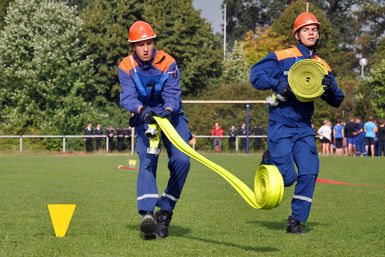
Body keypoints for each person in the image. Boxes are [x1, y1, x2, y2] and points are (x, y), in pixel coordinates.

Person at [250, 12, 344, 233]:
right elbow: (255, 74)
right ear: (297, 34)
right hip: (280, 124)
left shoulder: (322, 65)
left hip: (303, 127)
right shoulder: (283, 56)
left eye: (314, 29)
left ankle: (295, 221)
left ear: (318, 34)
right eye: (306, 29)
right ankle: (269, 160)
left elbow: (337, 100)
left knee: (309, 172)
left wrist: (331, 88)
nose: (311, 33)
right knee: (288, 178)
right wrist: (276, 83)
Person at [119, 21, 191, 239]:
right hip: (145, 118)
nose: (146, 48)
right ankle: (148, 215)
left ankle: (165, 212)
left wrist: (168, 110)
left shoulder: (168, 62)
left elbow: (173, 93)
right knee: (148, 159)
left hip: (172, 117)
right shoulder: (125, 66)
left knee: (182, 161)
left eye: (149, 42)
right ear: (133, 46)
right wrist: (142, 111)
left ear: (153, 42)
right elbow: (128, 97)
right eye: (140, 44)